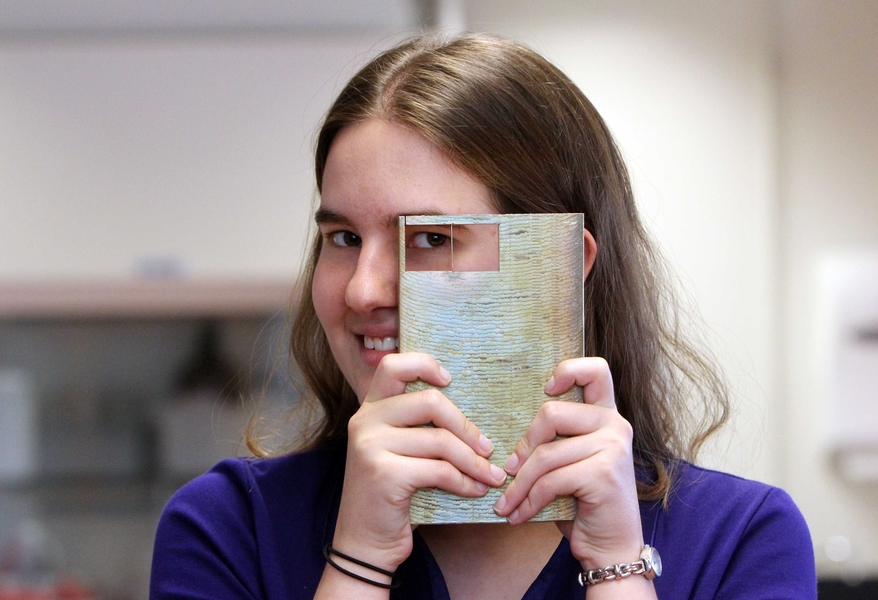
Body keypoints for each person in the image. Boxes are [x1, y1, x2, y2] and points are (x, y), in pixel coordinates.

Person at [149, 33, 816, 599]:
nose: (361, 291)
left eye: (430, 238)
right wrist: (357, 561)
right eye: (344, 238)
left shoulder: (741, 540)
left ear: (560, 264)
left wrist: (617, 566)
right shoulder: (229, 528)